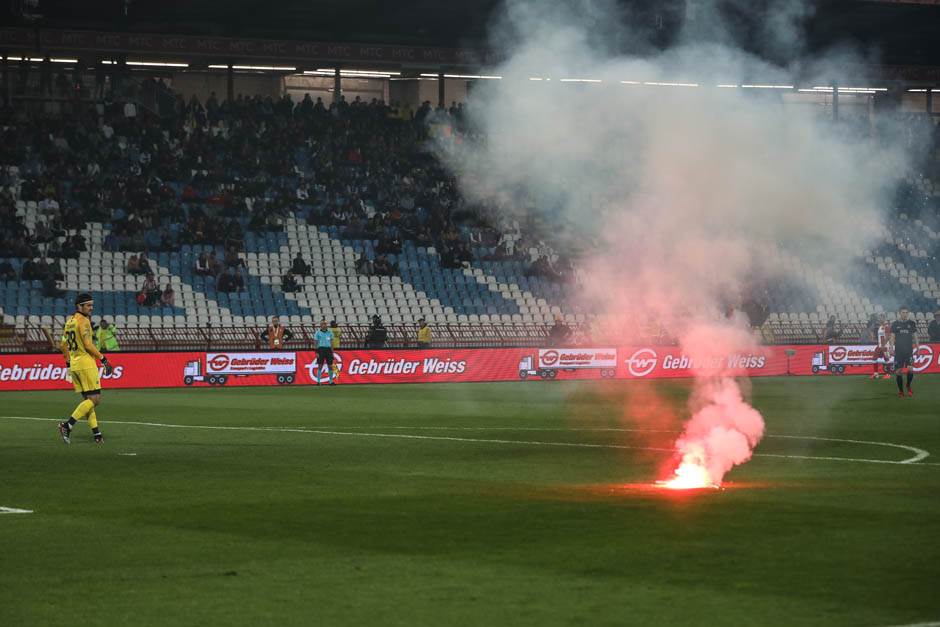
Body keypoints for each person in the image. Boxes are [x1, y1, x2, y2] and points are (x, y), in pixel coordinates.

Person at [58, 293, 114, 445]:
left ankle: (97, 434)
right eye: (88, 305)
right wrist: (103, 359)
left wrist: (68, 365)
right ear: (79, 306)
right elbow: (88, 345)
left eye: (91, 305)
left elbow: (63, 345)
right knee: (95, 400)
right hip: (85, 364)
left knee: (88, 402)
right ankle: (67, 425)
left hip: (75, 365)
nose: (91, 308)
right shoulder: (84, 321)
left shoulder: (69, 322)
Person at [890, 307, 919, 398]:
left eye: (906, 312)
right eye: (903, 312)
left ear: (908, 313)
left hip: (909, 351)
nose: (905, 314)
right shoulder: (895, 324)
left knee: (910, 369)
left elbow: (915, 336)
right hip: (898, 352)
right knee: (898, 371)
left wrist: (918, 347)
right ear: (900, 313)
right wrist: (891, 347)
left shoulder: (911, 323)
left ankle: (908, 385)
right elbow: (892, 336)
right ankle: (901, 391)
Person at [313, 319, 336, 385]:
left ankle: (331, 381)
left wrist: (332, 352)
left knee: (330, 366)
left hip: (328, 350)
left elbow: (331, 343)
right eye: (322, 324)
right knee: (320, 365)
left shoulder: (330, 332)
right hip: (321, 350)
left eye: (325, 324)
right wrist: (316, 351)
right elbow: (315, 342)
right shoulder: (317, 333)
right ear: (320, 325)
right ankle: (318, 381)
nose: (324, 325)